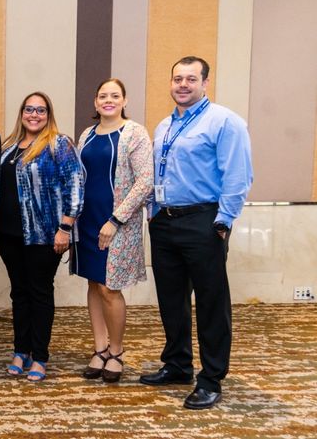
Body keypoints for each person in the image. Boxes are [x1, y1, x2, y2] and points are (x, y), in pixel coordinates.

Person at [140, 56, 253, 410]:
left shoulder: (224, 122)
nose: (183, 85)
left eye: (191, 78)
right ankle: (177, 364)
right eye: (177, 79)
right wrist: (153, 213)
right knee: (171, 299)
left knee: (210, 302)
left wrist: (222, 222)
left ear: (205, 82)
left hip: (204, 222)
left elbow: (237, 175)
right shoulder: (164, 126)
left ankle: (211, 378)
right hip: (165, 222)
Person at [0, 91, 83, 382]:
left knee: (39, 292)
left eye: (41, 110)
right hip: (8, 235)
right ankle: (21, 350)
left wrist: (66, 227)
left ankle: (40, 356)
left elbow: (75, 184)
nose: (34, 115)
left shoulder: (59, 144)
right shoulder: (8, 147)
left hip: (44, 236)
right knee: (19, 293)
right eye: (29, 109)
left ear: (48, 115)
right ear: (21, 113)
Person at [74, 78, 153, 383]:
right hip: (88, 220)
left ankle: (117, 352)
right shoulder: (87, 135)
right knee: (94, 285)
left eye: (115, 95)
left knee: (110, 288)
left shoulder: (135, 133)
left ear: (124, 100)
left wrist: (115, 220)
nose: (108, 100)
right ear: (95, 102)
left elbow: (144, 181)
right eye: (102, 95)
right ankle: (99, 349)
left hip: (117, 223)